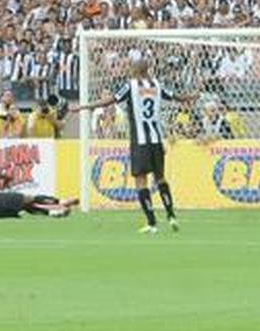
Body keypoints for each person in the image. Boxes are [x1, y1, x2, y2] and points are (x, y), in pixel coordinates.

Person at [71, 56, 197, 234]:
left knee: (141, 180)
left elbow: (110, 101)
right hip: (156, 139)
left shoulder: (130, 85)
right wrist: (192, 96)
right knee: (160, 178)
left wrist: (84, 107)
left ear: (135, 70)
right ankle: (171, 216)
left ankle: (152, 223)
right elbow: (178, 97)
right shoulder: (157, 85)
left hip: (140, 140)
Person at [0, 155, 77, 218]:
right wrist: (5, 184)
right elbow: (6, 176)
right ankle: (60, 202)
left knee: (22, 205)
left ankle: (53, 212)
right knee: (27, 199)